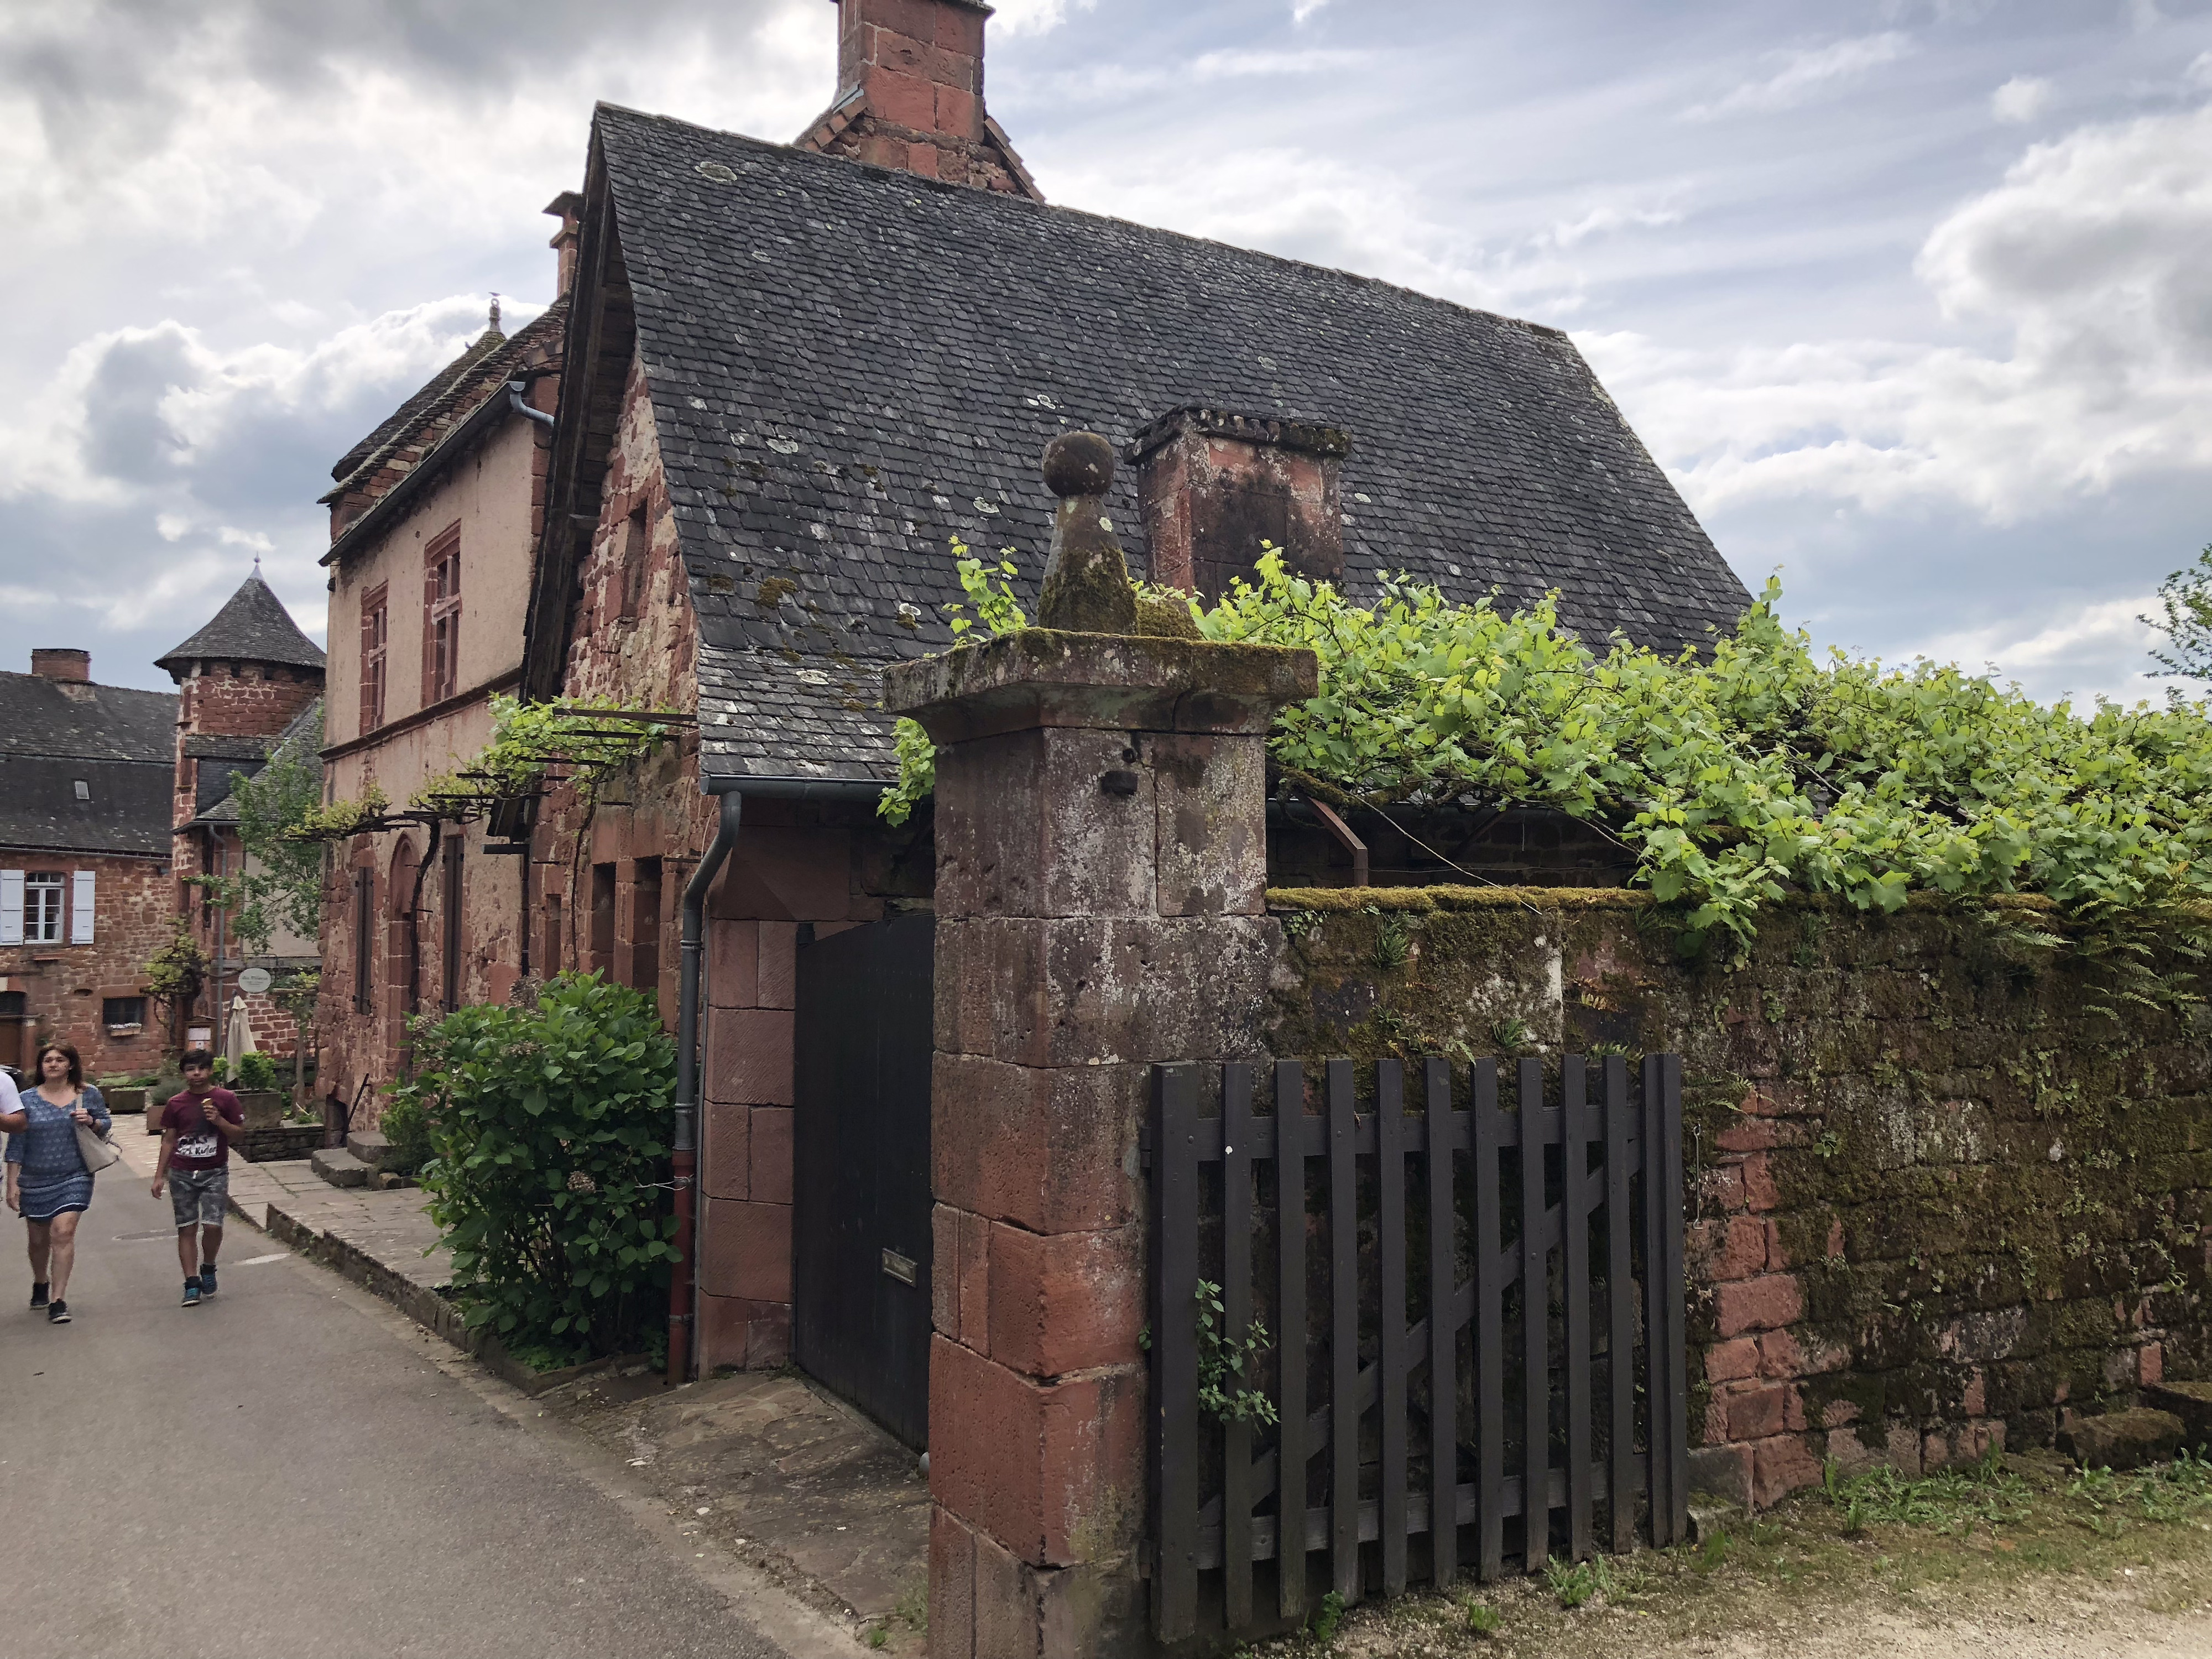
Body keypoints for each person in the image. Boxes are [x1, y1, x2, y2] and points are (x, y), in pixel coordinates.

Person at [2, 1042, 111, 1324]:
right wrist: (12, 1183)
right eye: (47, 1060)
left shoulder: (88, 1094)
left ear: (70, 1065)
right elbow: (17, 1142)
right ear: (40, 1067)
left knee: (63, 1232)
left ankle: (58, 1300)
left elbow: (105, 1124)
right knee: (38, 1240)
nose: (53, 1064)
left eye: (59, 1060)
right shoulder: (26, 1099)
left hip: (75, 1174)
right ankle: (41, 1282)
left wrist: (92, 1121)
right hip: (35, 1177)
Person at [152, 1050, 243, 1308]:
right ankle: (191, 1283)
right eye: (191, 1069)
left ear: (211, 1071)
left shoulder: (226, 1099)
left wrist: (219, 1121)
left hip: (215, 1171)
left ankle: (209, 1266)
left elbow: (239, 1134)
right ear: (184, 1073)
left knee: (213, 1225)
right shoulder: (176, 1103)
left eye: (202, 1069)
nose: (196, 1073)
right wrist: (160, 1176)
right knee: (187, 1227)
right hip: (182, 1173)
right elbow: (169, 1139)